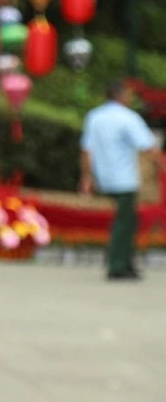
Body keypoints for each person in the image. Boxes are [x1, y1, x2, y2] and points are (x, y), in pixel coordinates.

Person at [80, 80, 160, 281]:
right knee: (124, 223)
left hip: (104, 176)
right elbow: (149, 146)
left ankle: (127, 262)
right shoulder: (128, 117)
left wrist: (87, 176)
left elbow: (86, 150)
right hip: (124, 178)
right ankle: (117, 265)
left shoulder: (94, 116)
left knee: (128, 220)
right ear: (123, 96)